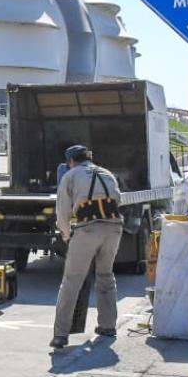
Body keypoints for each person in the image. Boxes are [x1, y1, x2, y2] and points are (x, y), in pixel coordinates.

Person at [50, 145, 123, 349]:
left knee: (72, 281)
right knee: (106, 277)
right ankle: (108, 326)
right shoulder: (107, 173)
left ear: (71, 161)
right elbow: (118, 199)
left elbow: (62, 211)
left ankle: (61, 335)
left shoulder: (71, 175)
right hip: (114, 228)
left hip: (88, 230)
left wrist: (65, 234)